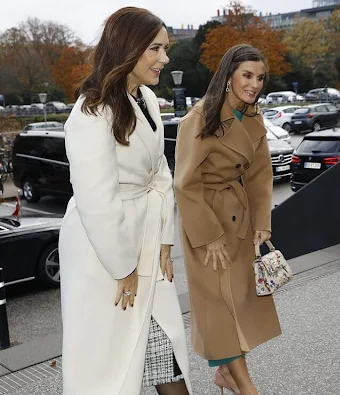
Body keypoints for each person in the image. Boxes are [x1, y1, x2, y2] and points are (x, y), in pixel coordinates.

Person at [59, 7, 191, 395]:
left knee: (163, 351)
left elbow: (160, 173)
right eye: (156, 48)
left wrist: (166, 237)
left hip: (146, 242)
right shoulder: (91, 111)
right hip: (104, 257)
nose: (165, 59)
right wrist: (122, 267)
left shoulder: (147, 99)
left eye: (166, 49)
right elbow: (95, 200)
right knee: (110, 366)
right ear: (128, 47)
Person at [174, 44, 281, 395]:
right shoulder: (200, 118)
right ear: (229, 75)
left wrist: (262, 221)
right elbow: (184, 182)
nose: (254, 84)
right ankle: (247, 386)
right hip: (205, 217)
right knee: (219, 306)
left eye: (260, 77)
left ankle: (225, 374)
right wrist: (207, 235)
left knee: (238, 300)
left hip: (240, 219)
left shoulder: (253, 116)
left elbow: (260, 175)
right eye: (247, 75)